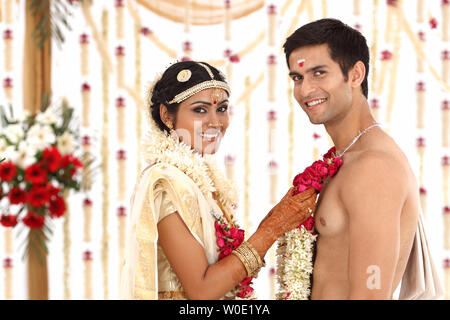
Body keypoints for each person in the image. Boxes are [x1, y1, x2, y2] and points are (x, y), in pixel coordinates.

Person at [119, 61, 317, 300]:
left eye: (221, 109)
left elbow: (226, 273)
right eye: (200, 110)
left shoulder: (202, 183)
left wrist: (278, 218)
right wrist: (271, 229)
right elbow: (202, 291)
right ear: (166, 116)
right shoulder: (166, 183)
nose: (215, 122)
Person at [283, 18, 443, 299]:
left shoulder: (373, 168)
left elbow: (370, 294)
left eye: (319, 73)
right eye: (298, 77)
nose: (305, 90)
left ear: (356, 74)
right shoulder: (345, 157)